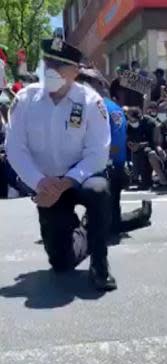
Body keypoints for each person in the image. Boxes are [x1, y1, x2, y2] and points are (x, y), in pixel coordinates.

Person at [6, 36, 116, 291]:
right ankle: (88, 230)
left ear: (75, 72)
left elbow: (98, 153)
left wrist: (66, 182)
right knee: (61, 263)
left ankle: (100, 264)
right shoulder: (25, 100)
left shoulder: (91, 102)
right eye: (48, 62)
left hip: (81, 178)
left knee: (99, 191)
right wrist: (40, 183)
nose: (52, 69)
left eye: (60, 65)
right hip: (45, 183)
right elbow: (15, 149)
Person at [77, 67, 152, 236]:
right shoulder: (114, 107)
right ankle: (137, 216)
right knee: (110, 219)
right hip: (116, 169)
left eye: (83, 83)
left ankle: (136, 217)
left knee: (103, 226)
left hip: (105, 170)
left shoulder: (97, 106)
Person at [126, 106, 167, 191]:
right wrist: (130, 144)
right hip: (139, 150)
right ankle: (139, 179)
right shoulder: (129, 126)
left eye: (133, 119)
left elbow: (156, 143)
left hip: (155, 151)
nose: (131, 121)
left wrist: (142, 144)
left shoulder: (151, 123)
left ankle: (163, 181)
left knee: (150, 154)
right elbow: (130, 139)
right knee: (136, 153)